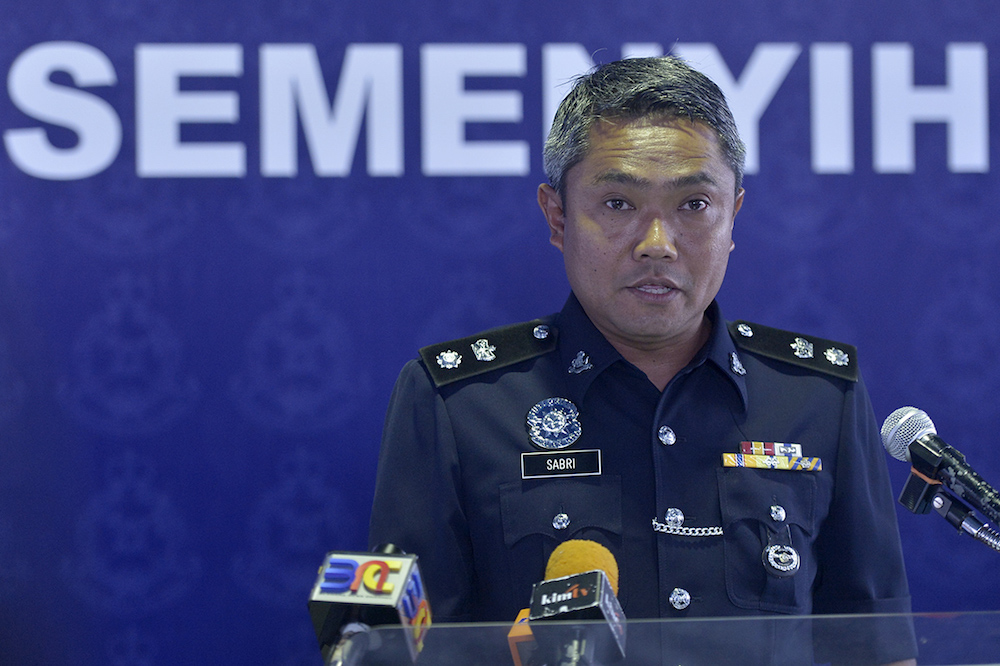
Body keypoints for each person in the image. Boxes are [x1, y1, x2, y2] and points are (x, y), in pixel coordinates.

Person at [368, 56, 917, 665]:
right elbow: (404, 653)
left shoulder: (819, 398)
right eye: (618, 204)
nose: (658, 243)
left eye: (694, 205)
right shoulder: (457, 402)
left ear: (733, 216)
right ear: (557, 216)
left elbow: (876, 650)